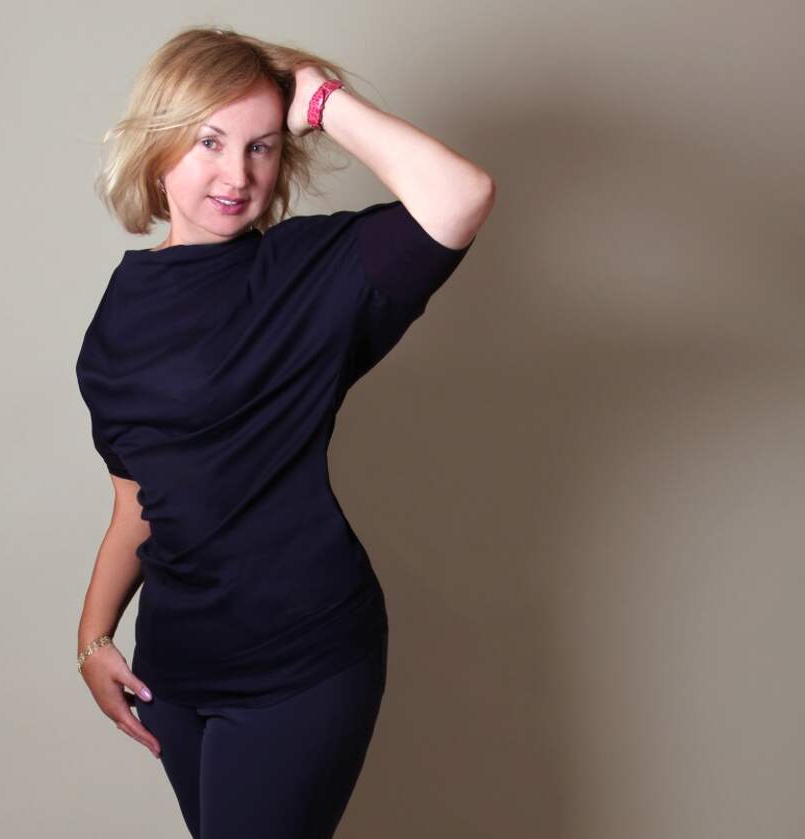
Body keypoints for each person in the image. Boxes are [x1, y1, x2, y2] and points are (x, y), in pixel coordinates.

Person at [74, 25, 495, 839]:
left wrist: (323, 100)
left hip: (296, 662)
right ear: (159, 144)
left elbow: (461, 194)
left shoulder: (312, 271)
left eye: (262, 146)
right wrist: (93, 638)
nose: (238, 174)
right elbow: (138, 501)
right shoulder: (119, 312)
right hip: (177, 673)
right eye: (210, 141)